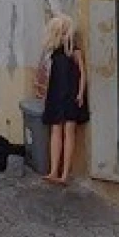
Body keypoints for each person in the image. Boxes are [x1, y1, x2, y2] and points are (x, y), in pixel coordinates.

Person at [41, 15, 88, 184]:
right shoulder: (54, 54)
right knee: (56, 131)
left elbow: (82, 73)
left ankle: (65, 173)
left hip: (70, 94)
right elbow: (49, 77)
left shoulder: (74, 51)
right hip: (56, 94)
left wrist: (80, 93)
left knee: (69, 132)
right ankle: (54, 170)